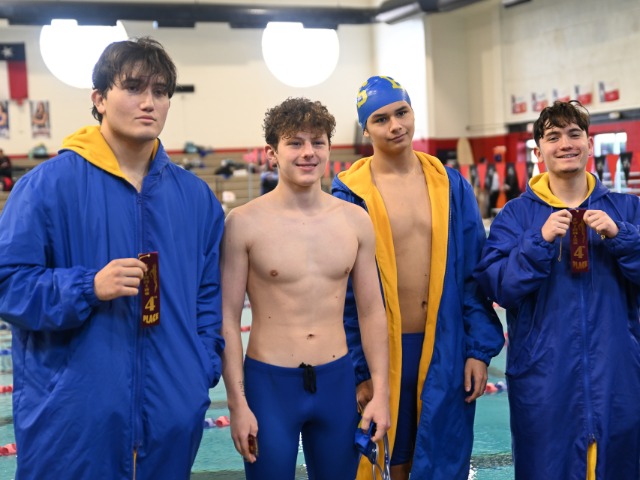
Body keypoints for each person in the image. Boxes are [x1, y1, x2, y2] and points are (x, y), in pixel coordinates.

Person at [0, 37, 225, 479]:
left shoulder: (195, 198)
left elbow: (208, 297)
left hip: (170, 417)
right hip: (71, 423)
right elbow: (7, 284)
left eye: (160, 91)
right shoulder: (47, 187)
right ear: (99, 99)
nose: (149, 102)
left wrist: (199, 372)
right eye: (134, 88)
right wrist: (87, 287)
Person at [332, 76, 504, 480]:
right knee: (384, 459)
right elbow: (342, 296)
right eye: (381, 119)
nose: (395, 126)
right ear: (365, 130)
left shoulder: (450, 185)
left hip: (445, 346)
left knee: (441, 458)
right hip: (381, 351)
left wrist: (477, 350)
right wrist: (359, 371)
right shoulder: (350, 195)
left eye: (402, 112)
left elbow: (473, 275)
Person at [221, 97, 390, 480]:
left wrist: (381, 392)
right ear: (272, 153)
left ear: (330, 148)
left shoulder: (355, 221)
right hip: (269, 387)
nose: (308, 152)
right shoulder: (243, 223)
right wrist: (237, 403)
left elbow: (371, 311)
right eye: (295, 143)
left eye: (318, 142)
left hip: (336, 381)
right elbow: (228, 318)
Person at [474, 100, 640, 480]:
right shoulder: (516, 217)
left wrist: (622, 237)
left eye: (574, 134)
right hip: (544, 378)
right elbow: (498, 287)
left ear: (589, 144)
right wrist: (539, 241)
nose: (565, 144)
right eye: (553, 137)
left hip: (618, 375)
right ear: (538, 152)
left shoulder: (626, 211)